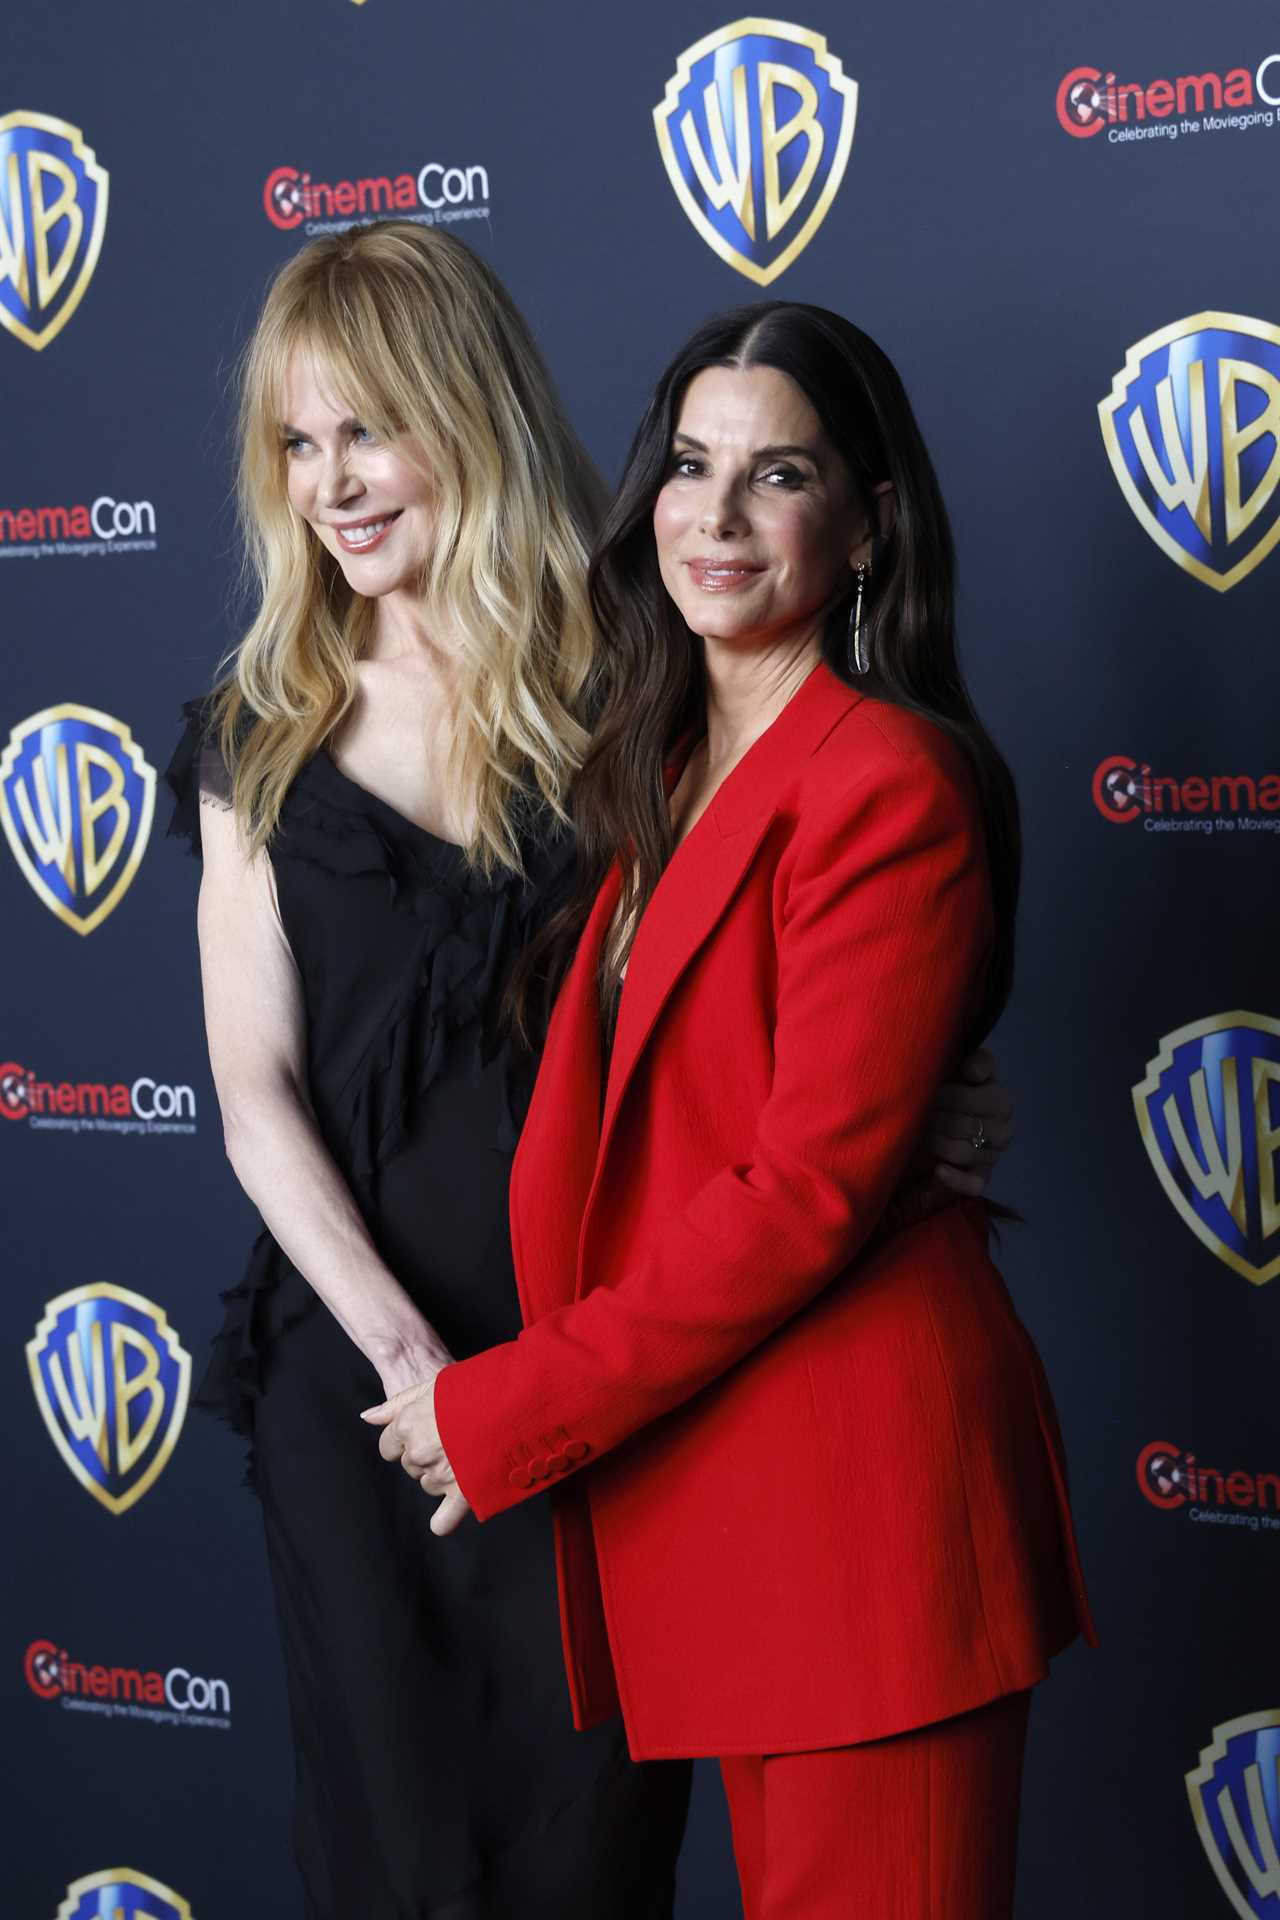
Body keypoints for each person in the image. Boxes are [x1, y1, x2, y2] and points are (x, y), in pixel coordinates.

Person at [168, 225, 1013, 1918]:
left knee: (593, 1866)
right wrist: (419, 1371)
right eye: (297, 442)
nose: (333, 482)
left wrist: (901, 1097)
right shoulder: (265, 729)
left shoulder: (624, 696)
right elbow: (252, 1089)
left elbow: (781, 1022)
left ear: (463, 416)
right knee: (394, 1862)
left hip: (616, 1382)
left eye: (370, 428)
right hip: (393, 1387)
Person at [368, 300, 1095, 1920]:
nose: (716, 514)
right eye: (692, 466)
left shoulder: (885, 780)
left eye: (779, 475)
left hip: (865, 1527)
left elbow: (800, 1197)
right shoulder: (658, 774)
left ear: (866, 520)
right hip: (734, 1517)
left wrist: (504, 1411)